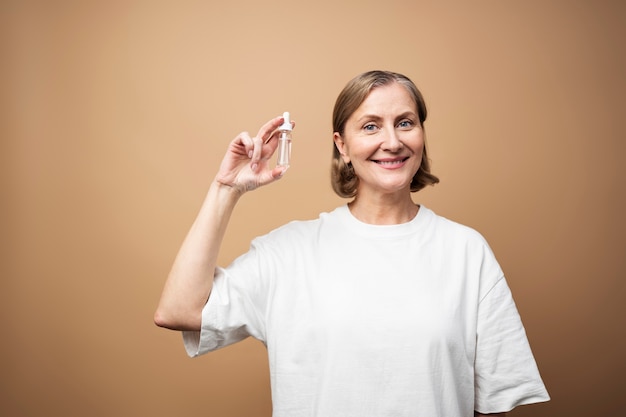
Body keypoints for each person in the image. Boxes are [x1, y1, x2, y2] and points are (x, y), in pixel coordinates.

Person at [155, 70, 550, 416]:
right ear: (342, 145)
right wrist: (226, 189)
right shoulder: (290, 252)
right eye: (371, 126)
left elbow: (493, 401)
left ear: (422, 135)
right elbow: (179, 311)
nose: (392, 141)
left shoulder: (466, 252)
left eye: (406, 122)